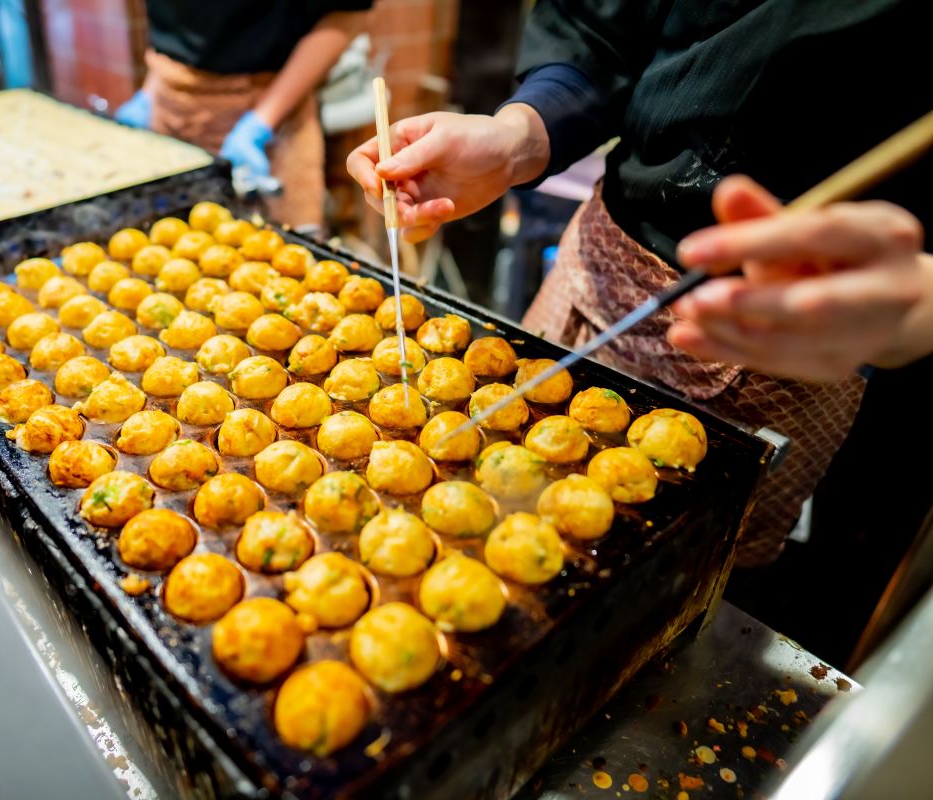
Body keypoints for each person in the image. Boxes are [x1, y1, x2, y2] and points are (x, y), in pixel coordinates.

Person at [347, 0, 933, 567]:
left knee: (699, 575)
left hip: (818, 335)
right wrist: (518, 137)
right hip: (601, 268)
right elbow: (599, 28)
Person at [115, 1, 372, 230]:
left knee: (282, 242)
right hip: (170, 104)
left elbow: (345, 15)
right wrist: (151, 92)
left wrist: (261, 123)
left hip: (274, 103)